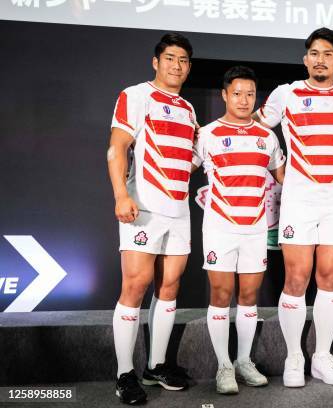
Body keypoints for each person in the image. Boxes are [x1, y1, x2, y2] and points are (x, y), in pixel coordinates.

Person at [253, 27, 333, 387]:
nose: (321, 60)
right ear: (306, 59)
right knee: (297, 277)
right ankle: (293, 357)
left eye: (328, 54)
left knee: (330, 278)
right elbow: (253, 127)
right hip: (298, 199)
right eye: (314, 54)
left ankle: (321, 357)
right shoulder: (286, 93)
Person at [107, 33, 196, 404]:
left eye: (183, 60)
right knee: (136, 286)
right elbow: (117, 147)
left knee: (170, 287)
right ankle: (124, 374)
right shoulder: (135, 95)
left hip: (179, 210)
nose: (177, 66)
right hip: (143, 208)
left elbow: (187, 159)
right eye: (170, 58)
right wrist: (121, 195)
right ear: (156, 61)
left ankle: (156, 365)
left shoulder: (189, 108)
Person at [194, 66, 286, 394]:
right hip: (220, 227)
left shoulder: (267, 137)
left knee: (249, 297)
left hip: (255, 229)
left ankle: (244, 361)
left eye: (250, 94)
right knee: (221, 295)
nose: (244, 100)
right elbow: (180, 167)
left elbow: (284, 177)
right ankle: (223, 365)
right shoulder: (206, 134)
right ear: (224, 95)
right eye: (237, 93)